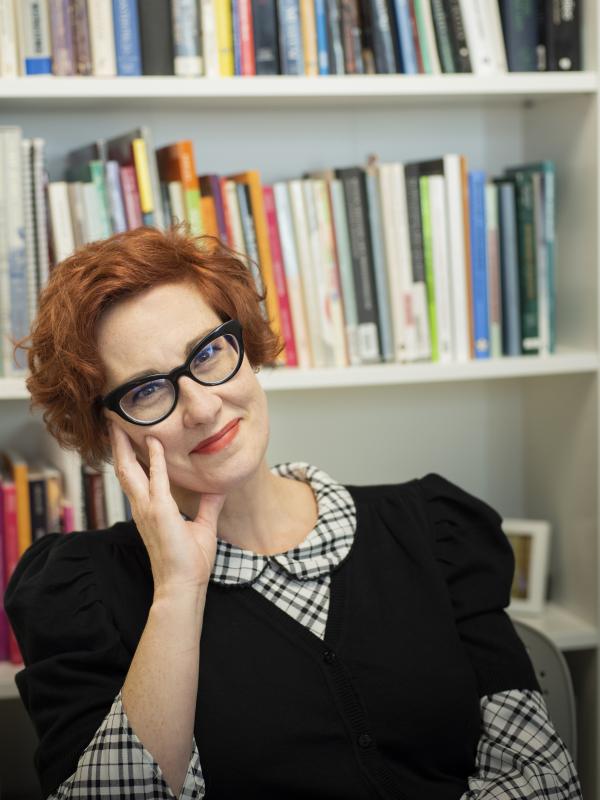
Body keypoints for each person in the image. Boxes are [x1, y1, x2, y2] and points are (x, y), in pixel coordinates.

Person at [5, 225, 581, 800]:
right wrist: (178, 590)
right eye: (149, 390)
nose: (203, 406)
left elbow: (539, 779)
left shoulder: (433, 528)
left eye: (208, 353)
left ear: (246, 348)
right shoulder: (80, 594)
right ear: (107, 432)